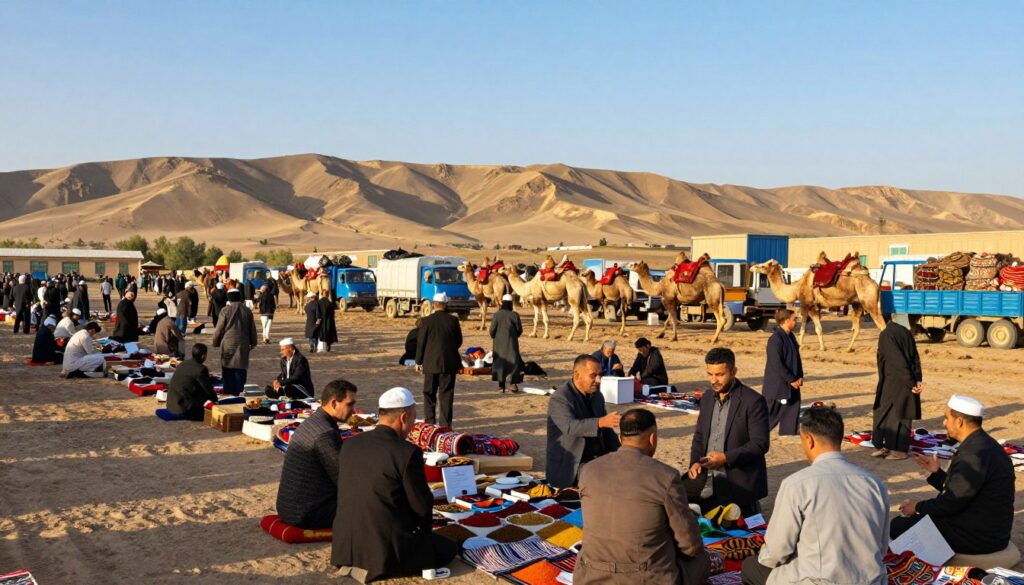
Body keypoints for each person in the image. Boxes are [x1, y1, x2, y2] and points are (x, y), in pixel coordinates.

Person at [741, 407, 889, 585]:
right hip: (870, 580)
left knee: (750, 567)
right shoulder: (874, 483)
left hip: (818, 581)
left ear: (809, 440)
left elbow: (777, 552)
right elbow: (881, 546)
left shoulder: (797, 484)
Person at [332, 387, 457, 581]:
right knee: (449, 547)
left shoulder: (350, 444)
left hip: (344, 546)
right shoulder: (407, 452)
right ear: (404, 417)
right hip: (383, 549)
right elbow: (422, 506)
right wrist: (423, 537)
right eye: (414, 418)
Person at [576, 409, 709, 585]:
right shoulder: (665, 476)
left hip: (590, 576)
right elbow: (690, 546)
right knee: (702, 559)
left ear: (620, 438)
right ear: (652, 438)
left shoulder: (588, 470)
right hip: (644, 578)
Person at [891, 395, 1015, 555]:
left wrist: (916, 507)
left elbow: (950, 503)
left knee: (898, 526)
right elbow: (965, 490)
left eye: (946, 418)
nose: (944, 423)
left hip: (977, 538)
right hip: (987, 529)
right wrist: (936, 473)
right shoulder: (985, 444)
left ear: (959, 422)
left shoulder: (973, 454)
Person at [687, 347, 770, 516]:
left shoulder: (753, 401)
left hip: (740, 484)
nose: (713, 380)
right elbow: (700, 436)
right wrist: (695, 461)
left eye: (719, 374)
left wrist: (726, 458)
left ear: (733, 372)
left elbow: (760, 444)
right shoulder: (707, 398)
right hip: (710, 483)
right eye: (710, 374)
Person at [277, 379, 358, 529]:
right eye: (350, 404)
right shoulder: (325, 434)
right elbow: (343, 479)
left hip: (289, 508)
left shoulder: (313, 422)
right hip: (307, 513)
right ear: (334, 403)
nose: (354, 410)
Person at [546, 354, 622, 489]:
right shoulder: (560, 398)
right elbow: (570, 427)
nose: (598, 380)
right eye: (593, 375)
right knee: (605, 478)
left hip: (596, 458)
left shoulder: (597, 396)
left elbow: (607, 430)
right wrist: (600, 422)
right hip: (571, 464)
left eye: (600, 375)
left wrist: (623, 453)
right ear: (577, 376)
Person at [872, 320, 923, 460]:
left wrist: (911, 382)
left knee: (900, 415)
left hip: (897, 380)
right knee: (887, 412)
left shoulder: (886, 335)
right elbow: (915, 359)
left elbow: (898, 361)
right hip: (901, 379)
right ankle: (887, 446)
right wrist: (917, 379)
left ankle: (900, 451)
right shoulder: (905, 332)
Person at [415, 293, 463, 426]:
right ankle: (445, 426)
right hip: (449, 363)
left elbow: (421, 343)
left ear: (434, 304)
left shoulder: (426, 321)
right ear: (445, 304)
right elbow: (459, 341)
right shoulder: (453, 320)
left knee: (429, 394)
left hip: (430, 363)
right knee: (446, 395)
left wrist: (418, 361)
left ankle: (430, 423)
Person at [762, 308, 804, 436]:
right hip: (777, 386)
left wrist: (800, 375)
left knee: (793, 408)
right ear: (786, 321)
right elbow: (776, 364)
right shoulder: (775, 340)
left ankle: (789, 433)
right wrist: (791, 379)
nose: (796, 322)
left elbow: (797, 358)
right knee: (768, 416)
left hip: (792, 384)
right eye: (794, 319)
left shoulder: (790, 337)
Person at [212, 288, 258, 395]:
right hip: (243, 343)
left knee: (228, 368)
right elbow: (252, 328)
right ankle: (238, 391)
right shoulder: (247, 310)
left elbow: (219, 328)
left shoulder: (225, 310)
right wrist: (253, 342)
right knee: (240, 367)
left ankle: (228, 392)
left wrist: (215, 342)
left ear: (229, 298)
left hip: (228, 343)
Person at [166, 343, 218, 421]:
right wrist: (215, 399)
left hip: (171, 403)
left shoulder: (183, 364)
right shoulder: (201, 369)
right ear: (203, 356)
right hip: (183, 408)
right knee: (210, 413)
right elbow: (208, 389)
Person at [489, 294, 523, 393]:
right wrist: (513, 336)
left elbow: (492, 331)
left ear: (502, 303)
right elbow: (519, 330)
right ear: (511, 304)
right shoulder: (515, 315)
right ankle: (513, 385)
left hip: (499, 344)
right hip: (512, 344)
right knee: (514, 363)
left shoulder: (497, 315)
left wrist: (496, 337)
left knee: (500, 364)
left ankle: (501, 386)